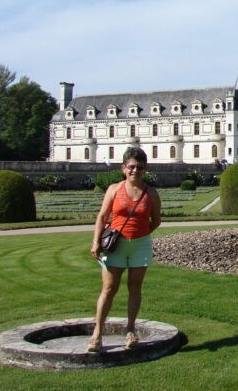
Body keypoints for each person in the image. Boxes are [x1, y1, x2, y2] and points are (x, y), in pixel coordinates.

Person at [88, 147, 162, 352]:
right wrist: (96, 241)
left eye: (139, 167)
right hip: (116, 245)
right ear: (123, 168)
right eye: (131, 167)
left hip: (140, 245)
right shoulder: (114, 189)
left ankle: (130, 330)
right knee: (109, 288)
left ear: (145, 170)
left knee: (134, 287)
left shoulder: (151, 193)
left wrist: (139, 234)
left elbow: (156, 220)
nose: (135, 171)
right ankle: (97, 332)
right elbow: (102, 217)